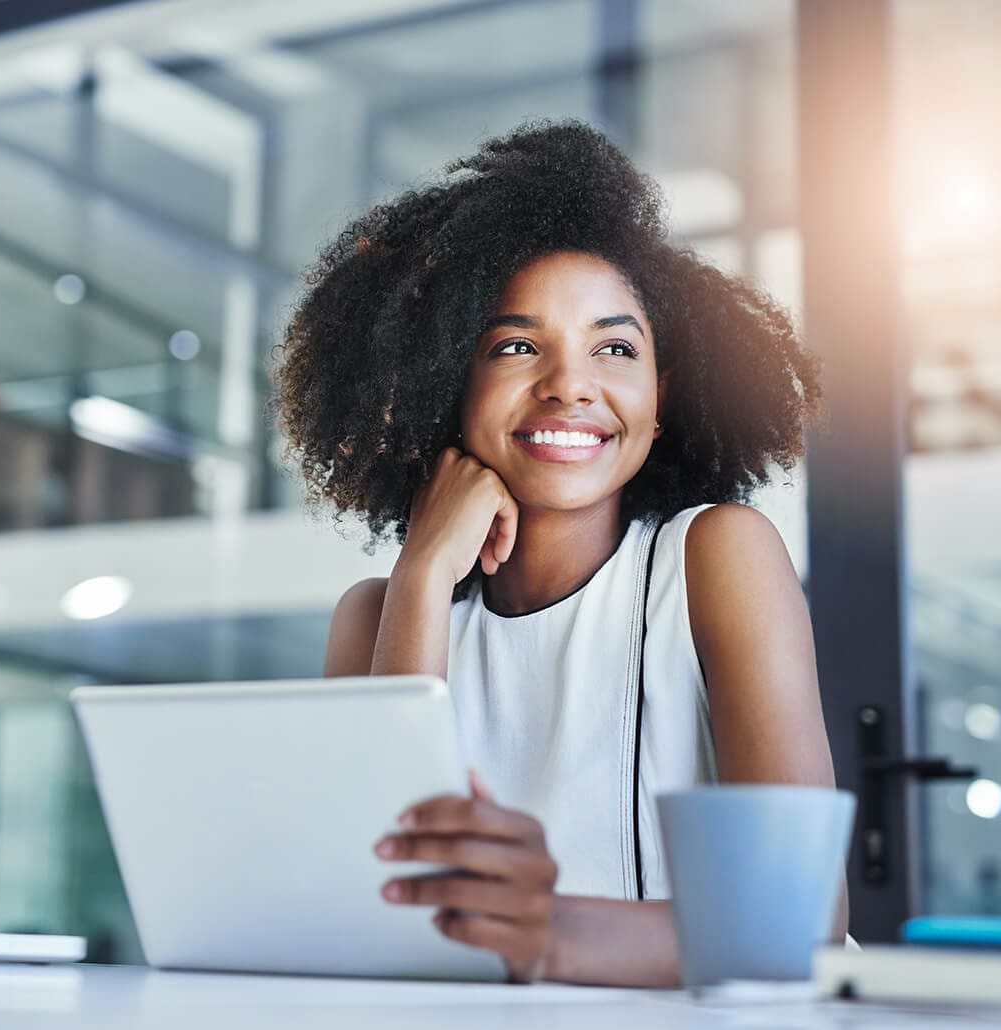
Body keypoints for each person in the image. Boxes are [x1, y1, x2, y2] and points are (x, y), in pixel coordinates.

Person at [272, 120, 843, 987]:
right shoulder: (375, 617)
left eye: (616, 348)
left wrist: (549, 935)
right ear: (443, 382)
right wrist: (422, 577)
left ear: (660, 397)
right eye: (516, 346)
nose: (571, 384)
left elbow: (800, 918)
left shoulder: (715, 557)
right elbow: (377, 911)